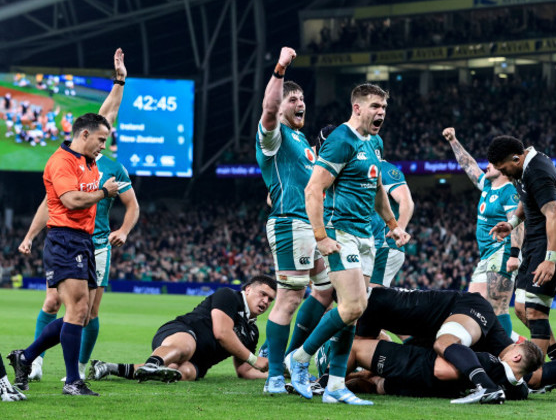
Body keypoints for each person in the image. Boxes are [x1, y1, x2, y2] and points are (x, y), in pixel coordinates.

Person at [7, 50, 125, 397]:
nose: (105, 144)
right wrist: (104, 192)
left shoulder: (87, 155)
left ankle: (25, 357)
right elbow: (71, 200)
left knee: (83, 313)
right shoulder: (62, 163)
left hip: (84, 241)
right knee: (74, 309)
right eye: (101, 140)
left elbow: (107, 115)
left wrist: (120, 81)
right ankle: (72, 380)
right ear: (83, 135)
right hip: (64, 240)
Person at [287, 83, 410, 405]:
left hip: (367, 236)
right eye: (374, 107)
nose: (380, 112)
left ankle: (336, 386)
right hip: (341, 233)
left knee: (352, 314)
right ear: (357, 108)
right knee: (354, 305)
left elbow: (379, 189)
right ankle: (300, 357)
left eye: (383, 107)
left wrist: (393, 225)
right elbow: (313, 190)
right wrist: (321, 237)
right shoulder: (341, 140)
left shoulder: (375, 142)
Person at [355, 286, 556, 402]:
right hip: (471, 326)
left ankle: (485, 387)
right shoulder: (382, 308)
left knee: (445, 344)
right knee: (532, 377)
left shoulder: (375, 304)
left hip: (465, 308)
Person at [255, 47, 334, 394]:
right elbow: (269, 109)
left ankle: (294, 359)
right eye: (294, 99)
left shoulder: (302, 139)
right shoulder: (274, 135)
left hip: (311, 226)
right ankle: (275, 375)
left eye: (303, 98)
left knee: (328, 289)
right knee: (289, 297)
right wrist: (280, 69)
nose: (301, 103)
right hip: (290, 223)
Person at [88, 276, 277, 382]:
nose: (266, 302)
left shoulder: (252, 332)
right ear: (248, 290)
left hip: (199, 363)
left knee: (181, 373)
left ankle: (108, 368)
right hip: (181, 332)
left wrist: (275, 373)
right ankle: (153, 363)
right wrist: (254, 359)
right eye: (263, 294)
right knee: (186, 348)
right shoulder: (229, 296)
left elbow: (244, 370)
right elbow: (222, 333)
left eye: (270, 299)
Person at [488, 136, 556, 359]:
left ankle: (538, 375)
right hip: (533, 246)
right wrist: (512, 223)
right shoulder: (524, 168)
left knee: (536, 311)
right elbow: (526, 199)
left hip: (550, 245)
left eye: (504, 168)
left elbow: (554, 215)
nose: (504, 174)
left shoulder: (537, 172)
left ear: (516, 158)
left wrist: (550, 259)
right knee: (521, 309)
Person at [442, 127, 521, 340]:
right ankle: (517, 344)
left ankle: (504, 355)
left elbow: (518, 224)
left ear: (502, 168)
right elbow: (468, 165)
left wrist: (514, 254)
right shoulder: (487, 185)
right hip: (486, 255)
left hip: (502, 251)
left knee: (497, 307)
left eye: (491, 163)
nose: (486, 166)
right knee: (473, 304)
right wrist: (454, 141)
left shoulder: (509, 193)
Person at [325, 337, 543, 401]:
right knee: (375, 383)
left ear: (516, 355)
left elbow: (441, 371)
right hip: (419, 390)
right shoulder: (517, 391)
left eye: (513, 347)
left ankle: (324, 383)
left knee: (355, 346)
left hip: (417, 365)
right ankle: (350, 382)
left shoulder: (488, 363)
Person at [368, 160, 414, 287]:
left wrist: (399, 228)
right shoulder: (357, 167)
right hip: (364, 245)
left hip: (384, 245)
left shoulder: (385, 169)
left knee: (370, 298)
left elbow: (406, 200)